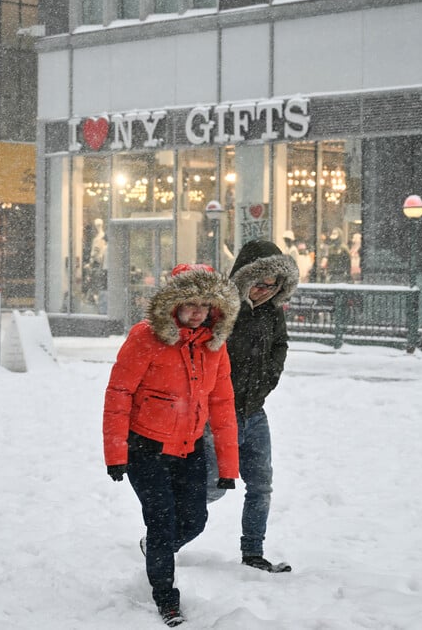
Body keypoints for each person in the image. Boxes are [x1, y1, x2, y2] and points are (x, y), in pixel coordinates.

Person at [103, 263, 241, 627]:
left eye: (204, 304)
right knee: (162, 521)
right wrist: (116, 454)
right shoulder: (145, 337)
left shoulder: (215, 345)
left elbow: (222, 406)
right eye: (189, 302)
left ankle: (155, 550)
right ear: (173, 304)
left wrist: (228, 468)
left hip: (189, 448)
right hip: (145, 447)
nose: (197, 311)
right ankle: (167, 598)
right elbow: (119, 394)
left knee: (195, 520)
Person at [206, 239, 299, 573]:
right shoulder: (220, 310)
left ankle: (252, 553)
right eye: (260, 284)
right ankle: (164, 539)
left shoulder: (272, 313)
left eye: (273, 286)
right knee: (211, 487)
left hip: (254, 412)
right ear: (244, 278)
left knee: (261, 485)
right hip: (217, 416)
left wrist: (266, 382)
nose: (265, 292)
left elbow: (280, 346)